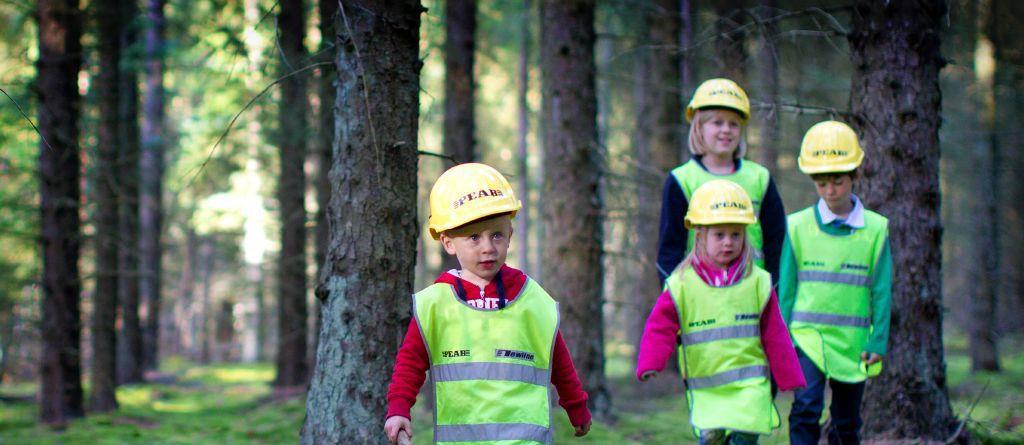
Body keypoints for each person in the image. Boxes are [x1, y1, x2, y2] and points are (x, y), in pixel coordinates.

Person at [383, 163, 592, 445]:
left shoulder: (532, 298)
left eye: (496, 234)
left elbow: (558, 358)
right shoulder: (435, 303)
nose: (488, 248)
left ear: (510, 235)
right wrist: (398, 409)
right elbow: (410, 362)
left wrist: (576, 406)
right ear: (448, 242)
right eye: (473, 237)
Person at [637, 180, 805, 444]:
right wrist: (651, 362)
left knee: (746, 434)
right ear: (700, 235)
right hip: (707, 386)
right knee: (712, 438)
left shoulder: (758, 281)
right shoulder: (681, 283)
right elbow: (660, 326)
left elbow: (775, 332)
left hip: (751, 384)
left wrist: (789, 376)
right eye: (719, 235)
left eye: (736, 234)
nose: (728, 242)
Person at [779, 121, 892, 445]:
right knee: (805, 407)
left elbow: (882, 292)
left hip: (854, 343)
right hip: (806, 339)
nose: (830, 191)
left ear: (855, 173)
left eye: (838, 182)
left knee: (847, 421)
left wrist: (878, 341)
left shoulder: (875, 230)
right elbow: (786, 289)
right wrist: (783, 339)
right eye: (822, 183)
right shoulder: (797, 226)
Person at [657, 78, 787, 285]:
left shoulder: (760, 178)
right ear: (699, 127)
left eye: (733, 124)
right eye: (717, 122)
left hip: (752, 293)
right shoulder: (681, 180)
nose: (726, 130)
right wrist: (675, 298)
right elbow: (669, 250)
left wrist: (772, 291)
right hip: (698, 293)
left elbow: (777, 243)